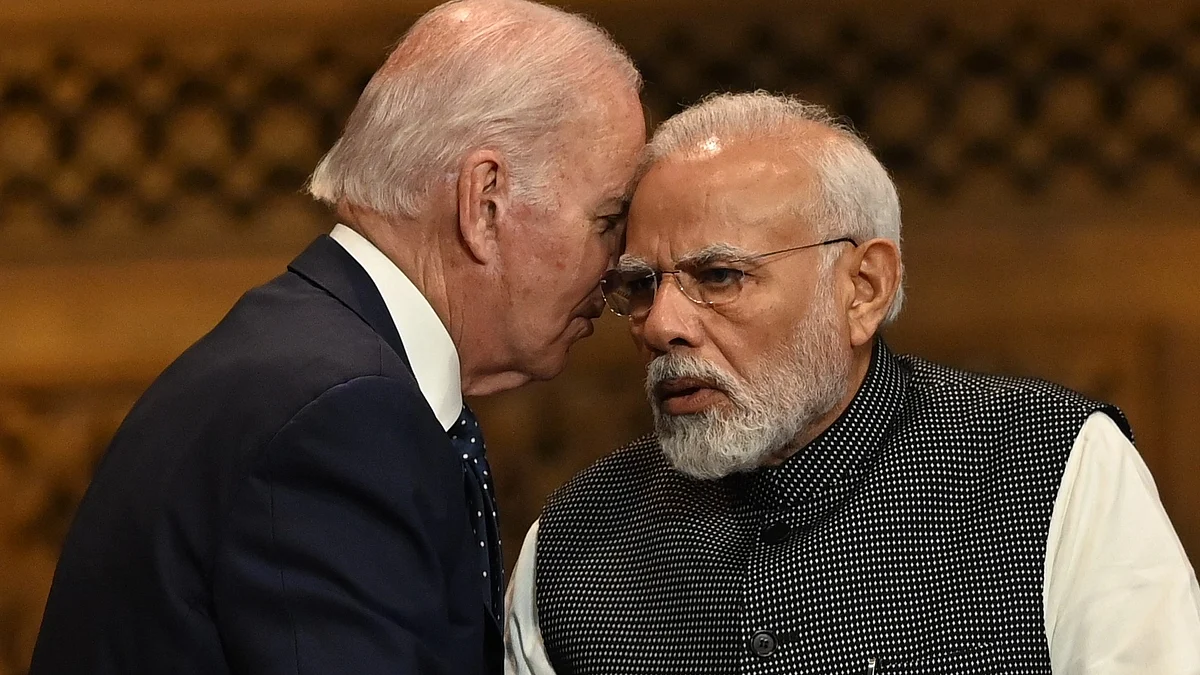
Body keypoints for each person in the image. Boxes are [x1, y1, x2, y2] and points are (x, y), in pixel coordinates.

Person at [29, 1, 645, 673]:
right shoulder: (341, 415)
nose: (620, 263)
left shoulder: (302, 357)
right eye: (607, 219)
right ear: (484, 200)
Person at [505, 92, 1200, 674]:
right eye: (640, 285)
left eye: (718, 276)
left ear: (864, 288)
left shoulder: (1048, 465)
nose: (661, 324)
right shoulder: (571, 546)